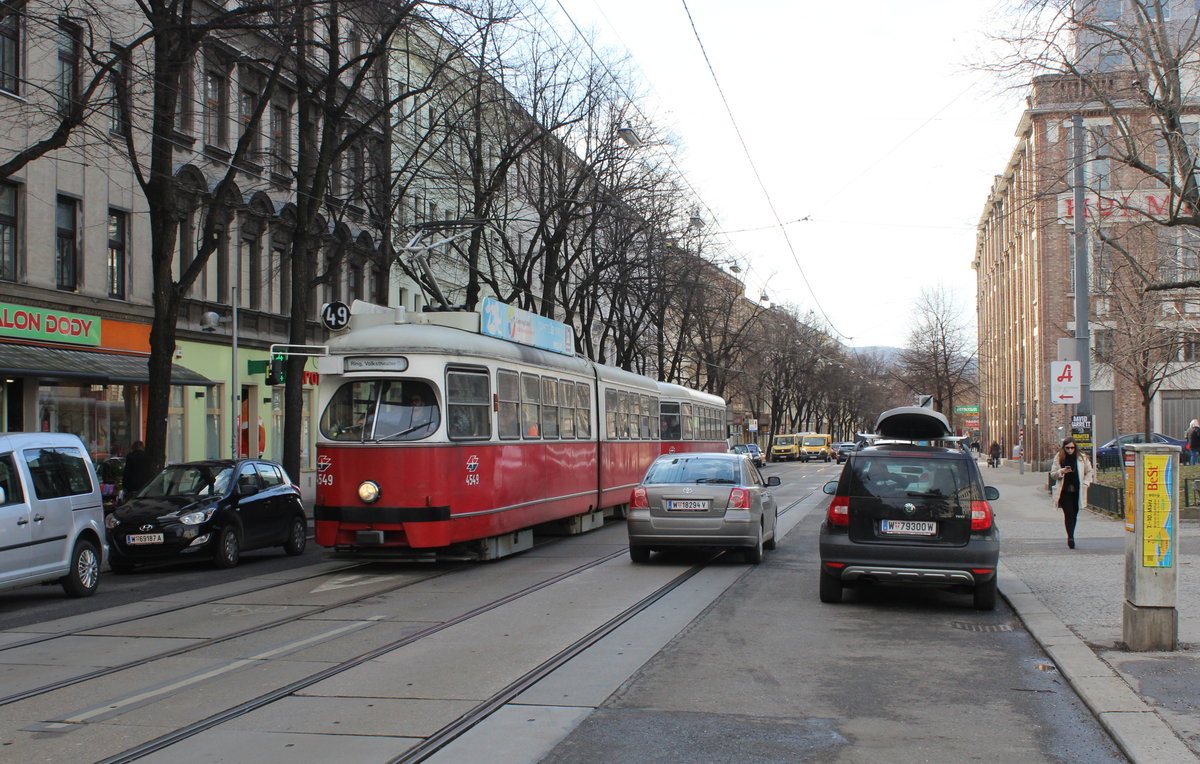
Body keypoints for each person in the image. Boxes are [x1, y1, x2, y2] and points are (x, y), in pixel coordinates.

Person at [1051, 437, 1093, 549]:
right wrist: (1061, 471)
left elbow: (1089, 471)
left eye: (1072, 448)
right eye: (1067, 448)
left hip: (1077, 490)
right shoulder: (1059, 457)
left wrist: (1086, 483)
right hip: (1064, 491)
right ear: (1063, 448)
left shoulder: (1081, 457)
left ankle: (1071, 534)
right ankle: (1070, 537)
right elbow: (1053, 474)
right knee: (1068, 514)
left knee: (1074, 514)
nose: (1070, 450)